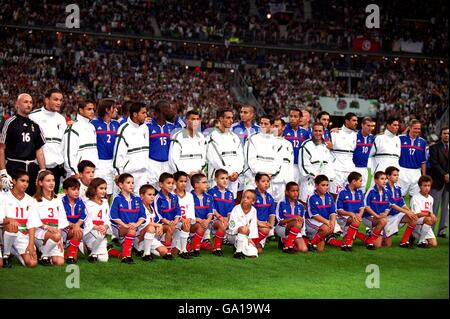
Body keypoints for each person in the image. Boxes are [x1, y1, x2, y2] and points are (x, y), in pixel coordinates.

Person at [0, 93, 46, 195]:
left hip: (31, 168)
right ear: (17, 104)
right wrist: (3, 172)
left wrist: (43, 170)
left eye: (30, 102)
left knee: (30, 199)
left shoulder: (35, 125)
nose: (29, 105)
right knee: (10, 198)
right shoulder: (9, 123)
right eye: (25, 102)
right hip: (13, 167)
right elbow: (1, 148)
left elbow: (39, 150)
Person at [0, 169, 41, 268]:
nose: (25, 184)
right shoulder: (3, 196)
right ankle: (6, 254)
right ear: (14, 181)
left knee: (32, 263)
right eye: (22, 181)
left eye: (27, 181)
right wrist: (9, 220)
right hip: (5, 232)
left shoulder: (30, 200)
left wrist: (31, 245)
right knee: (12, 226)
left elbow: (32, 224)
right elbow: (1, 219)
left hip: (23, 235)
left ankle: (14, 251)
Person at [29, 88, 67, 193]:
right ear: (46, 100)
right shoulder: (33, 116)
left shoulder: (61, 119)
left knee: (52, 200)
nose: (59, 103)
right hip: (37, 167)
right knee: (34, 199)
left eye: (60, 100)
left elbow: (62, 144)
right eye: (55, 99)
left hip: (56, 168)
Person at [109, 173, 147, 264]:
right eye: (128, 182)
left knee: (144, 229)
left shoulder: (137, 199)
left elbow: (143, 216)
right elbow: (113, 216)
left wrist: (136, 224)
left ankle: (113, 251)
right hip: (119, 228)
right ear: (121, 185)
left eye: (133, 183)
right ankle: (126, 256)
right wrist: (125, 225)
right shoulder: (117, 199)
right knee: (131, 231)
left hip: (134, 227)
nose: (131, 185)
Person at [34, 171, 70, 266]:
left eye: (53, 180)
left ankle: (45, 250)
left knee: (59, 262)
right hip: (40, 233)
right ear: (41, 183)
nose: (51, 183)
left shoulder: (58, 199)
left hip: (55, 233)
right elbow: (33, 221)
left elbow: (62, 220)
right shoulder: (35, 200)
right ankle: (44, 255)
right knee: (55, 236)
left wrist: (59, 239)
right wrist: (47, 228)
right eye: (48, 181)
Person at [206, 109, 244, 197]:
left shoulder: (235, 137)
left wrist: (237, 172)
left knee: (231, 204)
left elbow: (240, 157)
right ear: (220, 119)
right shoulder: (212, 137)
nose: (231, 121)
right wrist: (229, 173)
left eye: (232, 118)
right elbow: (214, 159)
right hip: (218, 178)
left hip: (234, 178)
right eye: (228, 118)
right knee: (216, 206)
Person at [112, 102, 149, 193]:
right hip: (129, 174)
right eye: (143, 113)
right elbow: (118, 153)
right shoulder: (124, 129)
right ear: (135, 114)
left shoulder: (145, 128)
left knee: (141, 203)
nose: (146, 115)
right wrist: (119, 174)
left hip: (143, 174)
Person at [169, 110, 207, 191]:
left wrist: (199, 171)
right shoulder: (177, 136)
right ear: (186, 120)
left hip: (197, 176)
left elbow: (204, 157)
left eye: (197, 119)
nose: (195, 122)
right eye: (193, 119)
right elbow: (173, 159)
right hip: (182, 178)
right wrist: (185, 173)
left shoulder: (201, 137)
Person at [90, 98, 120, 199]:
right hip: (99, 163)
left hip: (113, 163)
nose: (116, 110)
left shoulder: (117, 124)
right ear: (107, 110)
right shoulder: (93, 124)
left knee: (109, 192)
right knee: (98, 192)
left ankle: (106, 213)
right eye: (114, 108)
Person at [299, 122, 335, 204]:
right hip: (310, 182)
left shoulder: (326, 146)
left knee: (321, 206)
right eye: (315, 131)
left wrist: (326, 179)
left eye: (320, 131)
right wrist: (317, 178)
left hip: (323, 184)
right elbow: (304, 166)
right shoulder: (305, 145)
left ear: (323, 132)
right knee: (306, 205)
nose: (318, 133)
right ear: (312, 131)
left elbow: (329, 164)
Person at [243, 115, 282, 190]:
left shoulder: (278, 141)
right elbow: (250, 160)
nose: (263, 126)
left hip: (268, 180)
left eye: (266, 124)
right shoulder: (252, 138)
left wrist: (268, 175)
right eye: (261, 123)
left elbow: (278, 162)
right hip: (252, 180)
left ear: (272, 126)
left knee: (266, 201)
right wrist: (262, 175)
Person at [383, 166, 418, 248]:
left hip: (397, 215)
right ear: (388, 176)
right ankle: (370, 236)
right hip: (387, 217)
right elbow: (392, 205)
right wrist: (406, 212)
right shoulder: (384, 189)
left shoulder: (397, 188)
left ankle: (404, 241)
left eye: (397, 175)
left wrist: (410, 211)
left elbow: (402, 203)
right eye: (394, 175)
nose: (397, 177)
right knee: (387, 245)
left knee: (413, 218)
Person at [63, 99, 98, 178]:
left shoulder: (91, 126)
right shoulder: (73, 127)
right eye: (89, 109)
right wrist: (73, 172)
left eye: (93, 109)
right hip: (78, 173)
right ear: (81, 110)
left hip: (92, 172)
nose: (92, 111)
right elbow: (69, 153)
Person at [306, 175, 340, 252]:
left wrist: (333, 223)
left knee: (320, 250)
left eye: (327, 185)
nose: (326, 187)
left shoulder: (329, 197)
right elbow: (314, 215)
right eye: (323, 185)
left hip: (324, 222)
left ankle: (312, 240)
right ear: (316, 186)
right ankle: (311, 243)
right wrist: (327, 222)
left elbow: (333, 212)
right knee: (326, 228)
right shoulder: (312, 197)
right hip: (311, 221)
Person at [146, 100, 176, 189]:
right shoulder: (147, 126)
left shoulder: (172, 127)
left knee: (168, 191)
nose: (171, 111)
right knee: (150, 191)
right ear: (161, 111)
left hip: (168, 164)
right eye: (168, 108)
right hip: (152, 163)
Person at [59, 176, 88, 264]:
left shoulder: (81, 201)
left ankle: (71, 255)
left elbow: (83, 216)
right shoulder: (60, 201)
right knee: (77, 231)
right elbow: (59, 217)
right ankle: (66, 250)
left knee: (78, 231)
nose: (76, 192)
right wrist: (71, 224)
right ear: (65, 191)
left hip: (75, 228)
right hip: (63, 229)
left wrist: (77, 225)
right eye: (73, 189)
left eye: (78, 189)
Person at [136, 184, 170, 261]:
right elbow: (145, 222)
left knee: (164, 252)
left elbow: (157, 221)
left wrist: (159, 226)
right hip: (140, 237)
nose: (152, 197)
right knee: (151, 228)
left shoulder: (151, 207)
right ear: (142, 196)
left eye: (154, 195)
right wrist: (158, 225)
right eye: (149, 195)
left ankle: (144, 250)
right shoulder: (139, 207)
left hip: (150, 237)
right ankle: (146, 254)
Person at [153, 172, 181, 260]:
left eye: (172, 183)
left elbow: (178, 210)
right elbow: (158, 215)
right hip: (160, 224)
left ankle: (184, 249)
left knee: (186, 224)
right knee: (170, 228)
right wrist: (168, 222)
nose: (171, 186)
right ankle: (168, 251)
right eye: (168, 183)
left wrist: (176, 220)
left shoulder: (174, 197)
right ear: (161, 184)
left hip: (173, 222)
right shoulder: (157, 198)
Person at [336, 172, 367, 251]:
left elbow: (362, 207)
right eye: (360, 181)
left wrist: (359, 214)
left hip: (354, 216)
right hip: (343, 217)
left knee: (355, 220)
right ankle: (348, 244)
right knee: (355, 220)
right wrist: (350, 214)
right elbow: (339, 210)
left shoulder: (360, 192)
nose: (362, 183)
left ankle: (344, 240)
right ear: (353, 181)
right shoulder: (342, 192)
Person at [275, 181, 308, 253]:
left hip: (295, 229)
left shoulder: (301, 206)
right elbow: (280, 222)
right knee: (297, 222)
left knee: (304, 249)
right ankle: (287, 245)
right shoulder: (281, 203)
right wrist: (293, 219)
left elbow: (302, 223)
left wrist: (303, 234)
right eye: (293, 191)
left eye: (297, 191)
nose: (295, 193)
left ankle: (285, 241)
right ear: (286, 192)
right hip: (282, 229)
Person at [330, 112, 358, 195]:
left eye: (356, 121)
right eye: (354, 120)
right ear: (347, 121)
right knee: (335, 193)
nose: (356, 122)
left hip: (350, 168)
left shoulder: (355, 134)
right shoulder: (335, 133)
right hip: (337, 169)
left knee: (349, 193)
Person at [207, 169, 234, 255]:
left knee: (238, 225)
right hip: (214, 220)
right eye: (222, 178)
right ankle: (217, 248)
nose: (225, 180)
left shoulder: (230, 194)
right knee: (222, 224)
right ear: (216, 179)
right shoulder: (211, 192)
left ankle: (237, 243)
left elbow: (231, 211)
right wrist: (220, 217)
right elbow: (212, 209)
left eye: (226, 178)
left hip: (226, 220)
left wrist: (228, 219)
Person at [83, 177, 111, 262]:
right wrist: (96, 227)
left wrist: (105, 227)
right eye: (101, 188)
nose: (104, 191)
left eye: (105, 188)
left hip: (101, 230)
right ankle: (88, 247)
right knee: (99, 235)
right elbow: (86, 221)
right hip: (90, 231)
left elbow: (107, 218)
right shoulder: (87, 203)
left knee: (104, 259)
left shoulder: (105, 203)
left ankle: (93, 253)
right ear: (94, 189)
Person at [398, 119, 427, 197]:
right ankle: (399, 210)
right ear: (409, 128)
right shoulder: (400, 138)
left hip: (416, 172)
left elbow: (423, 162)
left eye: (419, 129)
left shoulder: (423, 142)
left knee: (415, 197)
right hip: (402, 170)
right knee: (399, 196)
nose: (417, 131)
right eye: (415, 128)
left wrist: (423, 176)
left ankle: (413, 210)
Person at [226, 189, 259, 259]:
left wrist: (250, 238)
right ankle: (238, 252)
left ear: (253, 201)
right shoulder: (236, 209)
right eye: (243, 197)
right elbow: (232, 224)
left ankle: (239, 246)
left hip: (245, 235)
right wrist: (241, 229)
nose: (245, 199)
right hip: (232, 234)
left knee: (253, 252)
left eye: (248, 198)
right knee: (243, 229)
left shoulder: (254, 211)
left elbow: (253, 225)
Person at [429, 126, 449, 238]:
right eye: (445, 133)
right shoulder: (434, 147)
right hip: (437, 180)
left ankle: (442, 230)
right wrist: (444, 174)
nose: (447, 135)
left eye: (448, 133)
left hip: (448, 182)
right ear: (441, 135)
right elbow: (434, 163)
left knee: (446, 207)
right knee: (434, 207)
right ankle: (430, 229)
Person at [363, 171, 389, 250]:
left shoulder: (387, 192)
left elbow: (388, 206)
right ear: (375, 180)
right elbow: (366, 207)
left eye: (385, 179)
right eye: (382, 179)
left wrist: (385, 213)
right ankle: (371, 241)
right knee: (383, 221)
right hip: (368, 218)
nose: (384, 181)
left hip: (379, 218)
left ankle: (369, 235)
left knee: (379, 245)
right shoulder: (371, 191)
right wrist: (377, 215)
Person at [189, 173, 214, 257]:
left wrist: (207, 220)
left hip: (204, 225)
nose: (206, 184)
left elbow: (210, 212)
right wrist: (199, 220)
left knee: (204, 225)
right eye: (204, 182)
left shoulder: (208, 197)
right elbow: (187, 214)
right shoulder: (189, 196)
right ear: (196, 185)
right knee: (201, 225)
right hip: (191, 224)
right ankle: (194, 246)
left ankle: (197, 246)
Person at [283, 108, 310, 184]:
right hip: (287, 165)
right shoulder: (283, 129)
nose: (292, 119)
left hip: (300, 166)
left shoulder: (305, 132)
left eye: (295, 116)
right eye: (291, 116)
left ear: (300, 118)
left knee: (298, 190)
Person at [270, 117, 294, 203]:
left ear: (283, 127)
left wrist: (289, 183)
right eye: (273, 126)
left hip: (282, 183)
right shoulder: (266, 142)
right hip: (269, 181)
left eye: (277, 126)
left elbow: (290, 165)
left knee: (280, 206)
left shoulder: (288, 144)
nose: (274, 128)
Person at [410, 175, 438, 248]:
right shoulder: (415, 197)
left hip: (426, 223)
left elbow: (430, 212)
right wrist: (429, 215)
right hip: (416, 221)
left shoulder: (431, 198)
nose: (427, 188)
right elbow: (417, 214)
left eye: (429, 185)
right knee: (428, 219)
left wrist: (433, 217)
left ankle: (414, 236)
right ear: (420, 186)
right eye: (424, 185)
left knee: (433, 244)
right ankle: (420, 241)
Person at [172, 171, 195, 259]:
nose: (183, 184)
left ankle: (183, 250)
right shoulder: (171, 195)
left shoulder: (189, 195)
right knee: (173, 251)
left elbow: (191, 212)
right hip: (174, 222)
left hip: (185, 224)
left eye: (185, 181)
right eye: (181, 181)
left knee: (187, 225)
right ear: (175, 182)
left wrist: (188, 219)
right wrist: (181, 219)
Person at [252, 173, 276, 253]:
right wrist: (258, 223)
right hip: (252, 223)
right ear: (256, 182)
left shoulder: (269, 197)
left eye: (267, 181)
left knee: (258, 250)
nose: (266, 183)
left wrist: (271, 225)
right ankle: (247, 243)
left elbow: (272, 213)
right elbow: (248, 213)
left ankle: (251, 243)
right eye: (263, 181)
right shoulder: (252, 195)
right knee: (265, 230)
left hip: (264, 226)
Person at [352, 117, 375, 192]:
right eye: (368, 126)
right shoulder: (354, 135)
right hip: (353, 167)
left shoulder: (372, 138)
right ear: (362, 125)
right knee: (350, 189)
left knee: (362, 191)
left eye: (371, 126)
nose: (370, 128)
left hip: (365, 168)